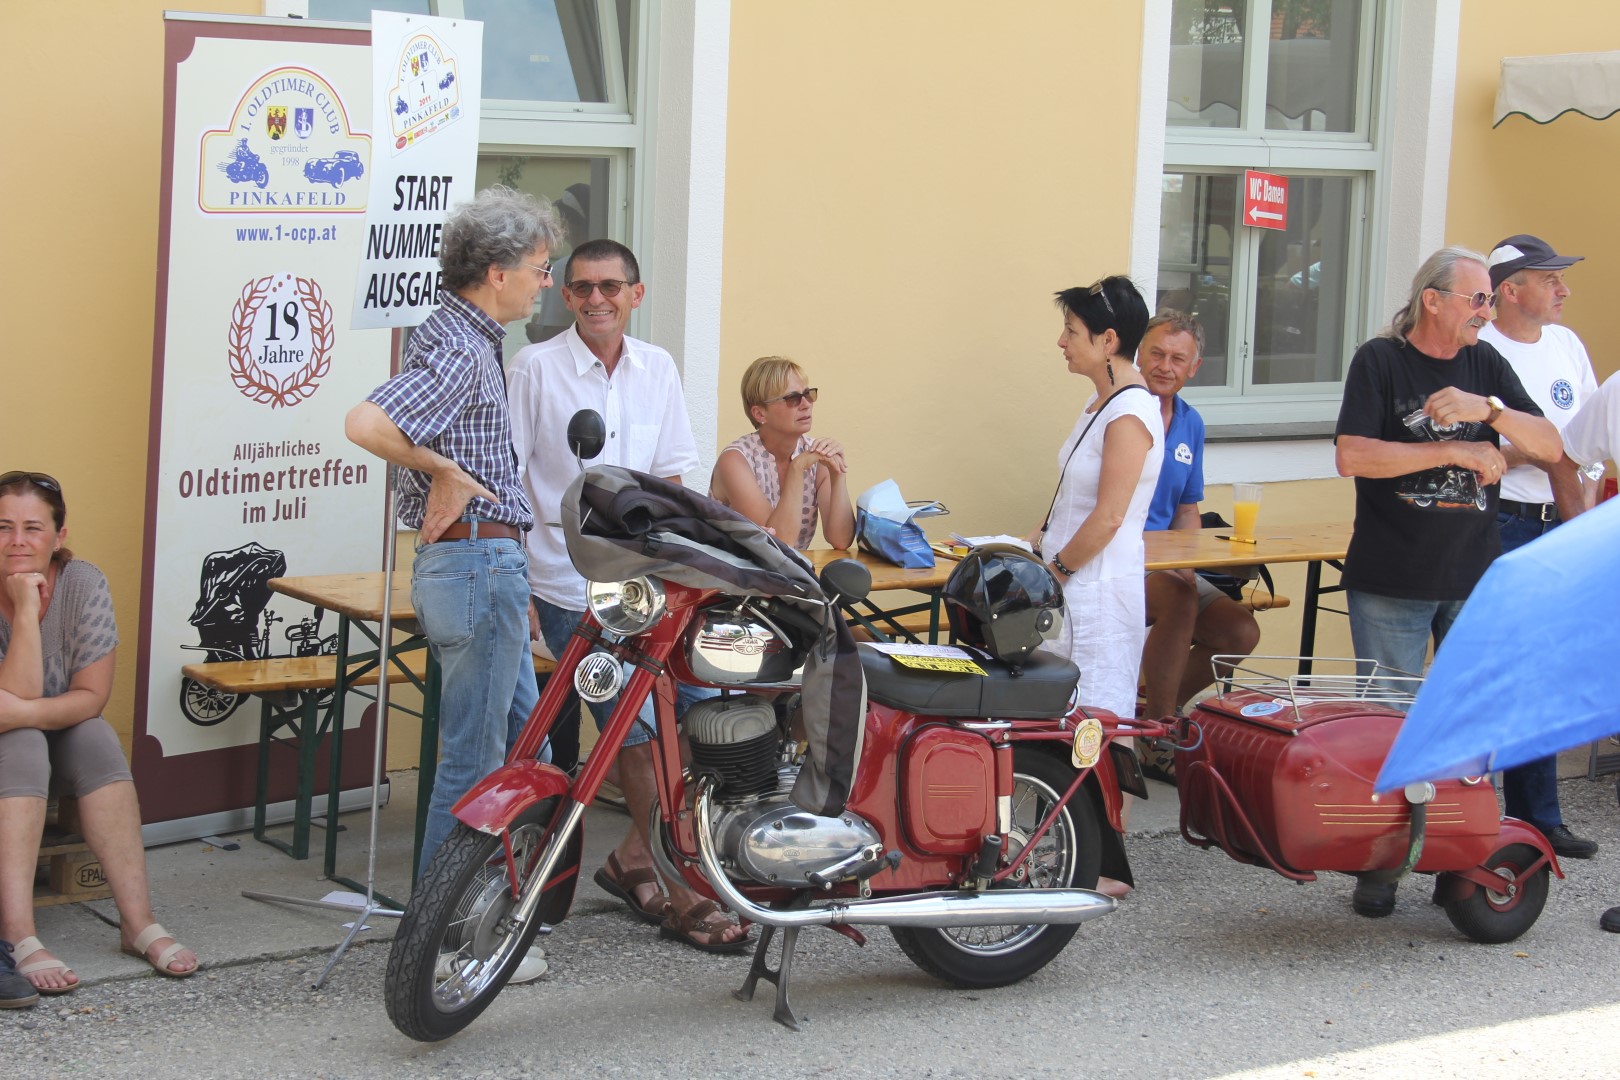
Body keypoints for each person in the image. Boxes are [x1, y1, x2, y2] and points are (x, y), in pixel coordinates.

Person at [507, 239, 749, 954]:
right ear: (565, 296)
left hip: (648, 587)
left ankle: (634, 860)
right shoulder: (535, 369)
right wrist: (518, 585)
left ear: (635, 295)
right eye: (581, 288)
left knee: (693, 720)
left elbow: (675, 470)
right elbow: (511, 478)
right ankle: (683, 896)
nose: (596, 299)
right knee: (634, 732)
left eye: (610, 286)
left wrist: (691, 560)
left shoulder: (659, 369)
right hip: (564, 583)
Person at [346, 186, 563, 982]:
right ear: (497, 271)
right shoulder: (462, 346)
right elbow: (366, 423)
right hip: (475, 562)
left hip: (483, 564)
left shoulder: (466, 338)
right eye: (539, 270)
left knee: (509, 744)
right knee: (472, 761)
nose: (546, 283)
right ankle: (435, 939)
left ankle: (483, 918)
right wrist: (442, 469)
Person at [1334, 246, 1561, 917]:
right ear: (1432, 299)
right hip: (1391, 577)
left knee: (1472, 724)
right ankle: (1381, 871)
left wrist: (1487, 411)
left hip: (1473, 574)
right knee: (1392, 728)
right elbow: (1352, 455)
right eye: (1476, 299)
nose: (1485, 312)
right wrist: (1452, 449)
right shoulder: (1379, 361)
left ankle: (1460, 865)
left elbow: (1549, 446)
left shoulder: (1485, 365)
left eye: (1490, 300)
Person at [0, 471, 197, 1002]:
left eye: (32, 527)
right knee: (19, 748)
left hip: (46, 723)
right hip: (11, 746)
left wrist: (20, 712)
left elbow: (91, 695)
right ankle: (19, 935)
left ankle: (137, 923)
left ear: (59, 536)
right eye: (3, 526)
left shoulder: (83, 582)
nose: (17, 540)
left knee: (95, 737)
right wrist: (23, 609)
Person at [1033, 276, 1163, 898]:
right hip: (1072, 580)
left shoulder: (1132, 411)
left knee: (1099, 717)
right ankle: (1076, 845)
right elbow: (1076, 499)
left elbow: (1110, 516)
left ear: (1109, 341)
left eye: (1073, 332)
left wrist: (1056, 571)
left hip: (1097, 588)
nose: (1061, 342)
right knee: (1067, 714)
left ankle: (1108, 864)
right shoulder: (1100, 403)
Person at [1478, 234, 1601, 860]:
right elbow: (1476, 454)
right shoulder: (1482, 351)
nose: (1563, 290)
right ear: (1510, 289)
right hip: (1503, 522)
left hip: (1562, 521)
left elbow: (1582, 446)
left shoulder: (1567, 345)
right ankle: (1473, 818)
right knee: (1502, 672)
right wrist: (1528, 446)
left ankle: (1539, 819)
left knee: (1545, 673)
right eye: (1550, 278)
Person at [1136, 312, 1260, 725]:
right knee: (1181, 598)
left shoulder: (1191, 422)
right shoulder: (1122, 411)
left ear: (1194, 367)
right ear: (1138, 353)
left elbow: (1188, 510)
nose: (1164, 367)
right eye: (1156, 353)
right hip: (1119, 559)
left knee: (1239, 632)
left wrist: (1186, 565)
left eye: (1177, 358)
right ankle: (1158, 732)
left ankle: (1156, 706)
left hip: (1167, 561)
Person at [710, 355, 855, 550]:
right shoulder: (735, 461)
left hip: (789, 576)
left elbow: (841, 540)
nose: (806, 404)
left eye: (808, 394)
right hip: (735, 576)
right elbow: (777, 545)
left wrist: (838, 475)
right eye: (792, 398)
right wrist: (796, 469)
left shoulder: (815, 456)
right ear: (760, 413)